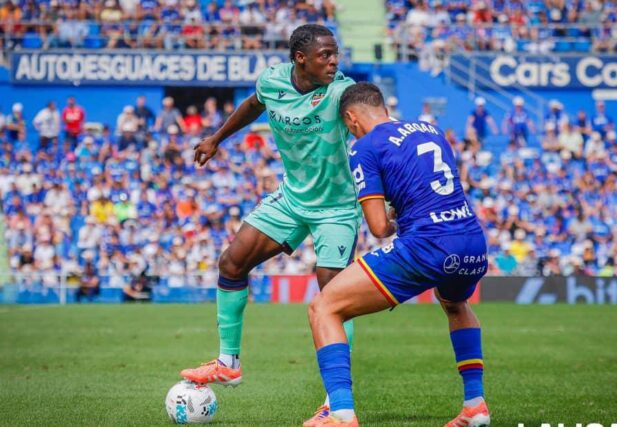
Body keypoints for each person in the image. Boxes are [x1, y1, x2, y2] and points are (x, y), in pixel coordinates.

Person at [180, 24, 359, 422]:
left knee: (333, 300)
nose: (334, 61)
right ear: (301, 59)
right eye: (325, 55)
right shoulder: (272, 81)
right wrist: (216, 138)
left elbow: (376, 129)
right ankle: (228, 363)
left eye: (335, 54)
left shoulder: (342, 91)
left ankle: (337, 404)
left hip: (336, 208)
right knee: (231, 263)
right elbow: (252, 105)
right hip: (292, 199)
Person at [305, 82, 489, 427]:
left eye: (348, 126)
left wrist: (393, 220)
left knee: (323, 307)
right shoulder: (431, 130)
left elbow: (378, 227)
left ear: (351, 118)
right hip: (472, 240)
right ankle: (475, 405)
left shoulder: (364, 147)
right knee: (455, 304)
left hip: (428, 244)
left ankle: (341, 413)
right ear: (384, 109)